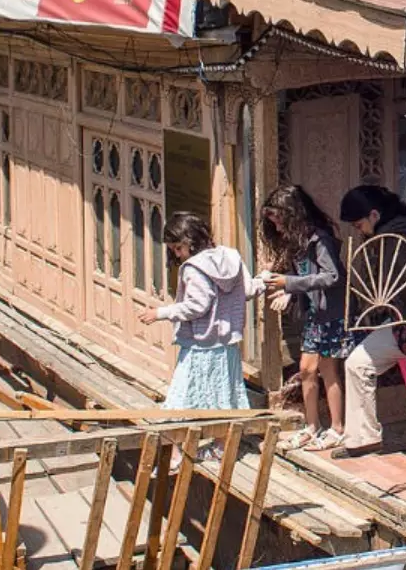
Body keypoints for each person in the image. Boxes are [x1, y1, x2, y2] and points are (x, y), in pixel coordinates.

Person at [137, 212, 266, 462]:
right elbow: (247, 290)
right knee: (222, 396)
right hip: (226, 344)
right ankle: (220, 447)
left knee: (181, 398)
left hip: (200, 343)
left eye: (178, 248)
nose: (176, 254)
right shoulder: (230, 257)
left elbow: (197, 306)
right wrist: (264, 279)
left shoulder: (194, 269)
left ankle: (174, 456)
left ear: (189, 241)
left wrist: (160, 313)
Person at [335, 185, 406, 458]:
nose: (359, 230)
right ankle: (363, 438)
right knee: (357, 363)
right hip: (402, 322)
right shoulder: (393, 236)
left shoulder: (399, 238)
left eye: (359, 223)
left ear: (374, 215)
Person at [261, 185, 355, 451]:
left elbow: (333, 275)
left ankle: (337, 427)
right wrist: (289, 290)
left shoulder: (319, 240)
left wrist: (290, 284)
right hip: (314, 314)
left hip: (331, 314)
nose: (276, 226)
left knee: (327, 370)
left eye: (279, 219)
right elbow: (300, 277)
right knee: (306, 369)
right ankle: (312, 426)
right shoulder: (296, 243)